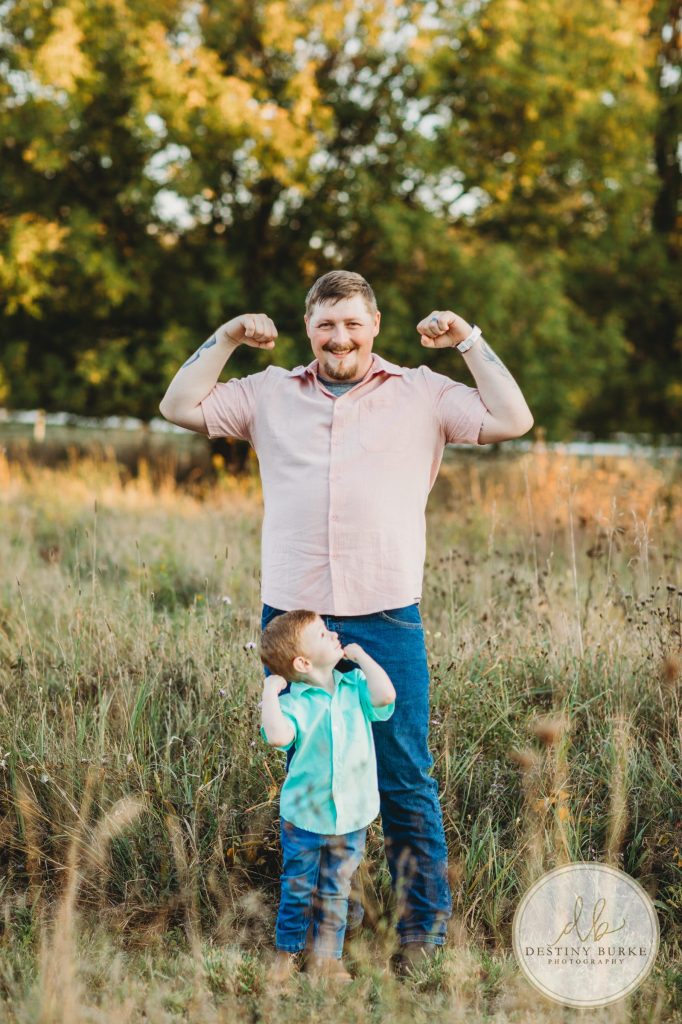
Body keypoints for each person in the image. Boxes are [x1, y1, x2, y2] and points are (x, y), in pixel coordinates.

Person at [159, 270, 533, 971]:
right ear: (309, 328)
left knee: (404, 775)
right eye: (327, 325)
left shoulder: (422, 391)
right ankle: (323, 925)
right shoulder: (270, 392)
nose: (340, 338)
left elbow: (513, 419)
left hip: (386, 612)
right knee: (309, 774)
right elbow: (178, 402)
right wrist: (231, 337)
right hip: (296, 621)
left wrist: (469, 342)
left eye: (353, 324)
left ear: (375, 325)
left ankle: (421, 933)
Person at [259, 609, 395, 984]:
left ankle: (327, 959)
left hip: (349, 816)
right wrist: (270, 691)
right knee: (298, 887)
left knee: (337, 888)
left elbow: (386, 696)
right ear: (302, 662)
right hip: (304, 817)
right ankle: (286, 955)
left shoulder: (354, 690)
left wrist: (363, 658)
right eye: (322, 634)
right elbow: (277, 736)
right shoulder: (294, 704)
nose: (333, 634)